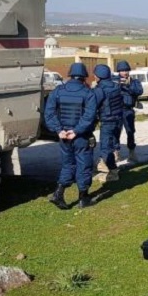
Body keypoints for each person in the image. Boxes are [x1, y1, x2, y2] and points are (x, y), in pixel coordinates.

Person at [45, 62, 99, 209]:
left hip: (64, 136)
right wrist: (76, 131)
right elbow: (89, 117)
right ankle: (83, 197)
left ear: (70, 74)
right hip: (81, 136)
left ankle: (58, 193)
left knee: (68, 164)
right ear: (84, 77)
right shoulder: (88, 93)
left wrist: (59, 130)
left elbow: (49, 113)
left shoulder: (57, 91)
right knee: (84, 165)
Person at [92, 64, 123, 182]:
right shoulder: (116, 86)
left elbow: (93, 106)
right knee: (111, 146)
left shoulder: (99, 90)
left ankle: (111, 172)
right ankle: (110, 170)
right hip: (118, 121)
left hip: (107, 121)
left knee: (105, 148)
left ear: (98, 76)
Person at [113, 61, 143, 162]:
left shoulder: (134, 82)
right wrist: (118, 85)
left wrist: (128, 86)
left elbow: (139, 91)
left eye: (126, 70)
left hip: (128, 110)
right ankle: (116, 153)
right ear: (118, 71)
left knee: (130, 131)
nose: (125, 72)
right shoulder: (114, 81)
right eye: (122, 70)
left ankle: (132, 152)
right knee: (116, 132)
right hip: (116, 110)